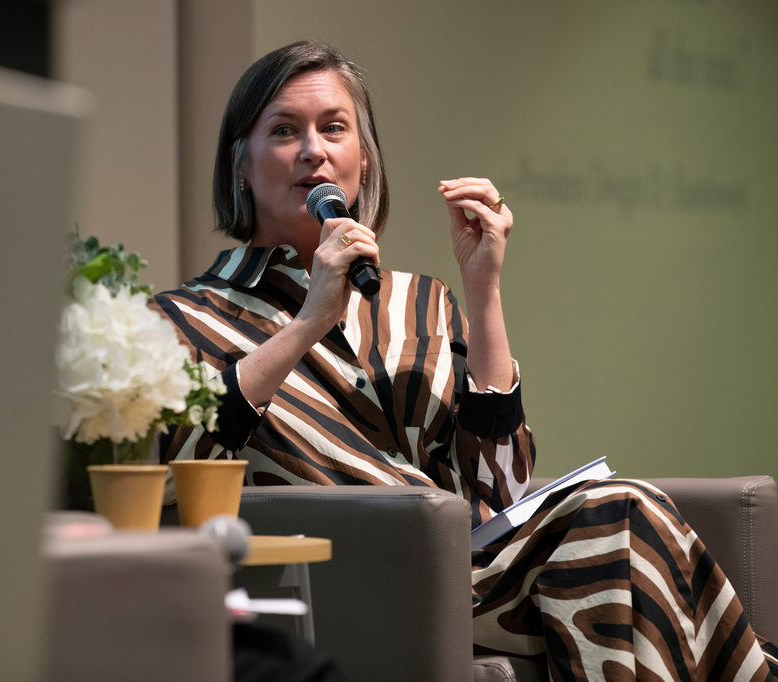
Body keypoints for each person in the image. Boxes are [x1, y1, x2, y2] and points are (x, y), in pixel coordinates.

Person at [151, 39, 778, 680]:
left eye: (334, 128)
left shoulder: (420, 300)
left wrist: (482, 291)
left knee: (617, 527)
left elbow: (499, 491)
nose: (314, 149)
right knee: (620, 511)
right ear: (242, 166)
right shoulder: (182, 319)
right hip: (355, 573)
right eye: (284, 130)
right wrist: (311, 321)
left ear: (363, 162)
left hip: (476, 568)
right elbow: (172, 469)